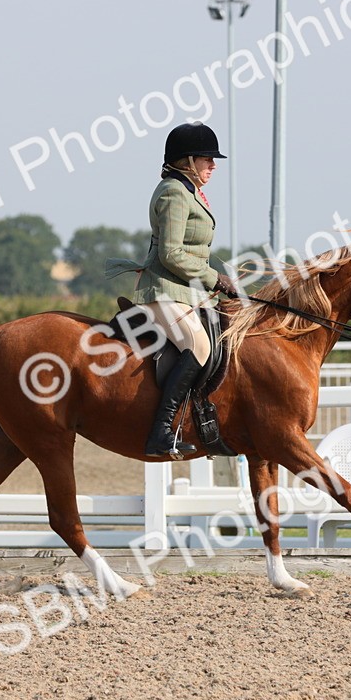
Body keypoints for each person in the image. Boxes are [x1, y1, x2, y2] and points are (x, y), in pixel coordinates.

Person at [106, 122, 240, 458]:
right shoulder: (173, 192)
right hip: (163, 291)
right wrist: (214, 278)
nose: (213, 165)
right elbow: (171, 253)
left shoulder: (190, 191)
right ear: (188, 160)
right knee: (198, 347)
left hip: (184, 292)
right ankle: (161, 433)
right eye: (207, 158)